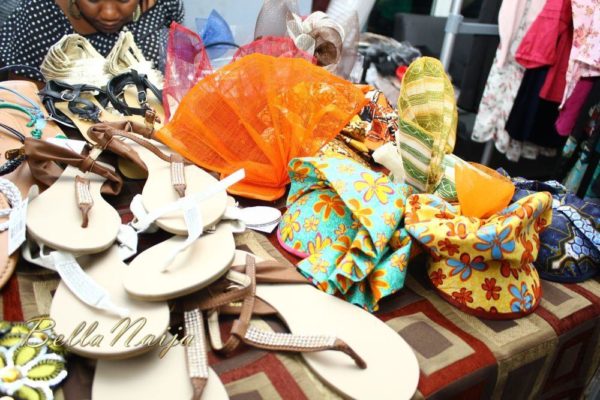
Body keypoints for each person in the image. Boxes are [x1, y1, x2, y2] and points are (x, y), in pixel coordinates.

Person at [0, 0, 184, 80]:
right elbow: (26, 97)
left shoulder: (164, 5)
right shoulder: (40, 12)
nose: (109, 14)